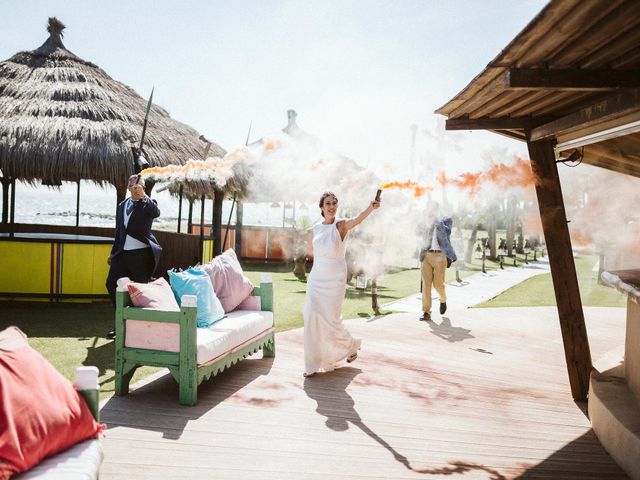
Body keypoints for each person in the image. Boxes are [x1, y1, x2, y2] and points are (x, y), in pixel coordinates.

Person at [303, 191, 381, 377]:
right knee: (311, 314)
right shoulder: (314, 229)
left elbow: (358, 219)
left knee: (331, 320)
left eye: (334, 203)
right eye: (328, 203)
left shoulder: (341, 225)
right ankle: (311, 365)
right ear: (321, 207)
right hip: (316, 278)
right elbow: (311, 252)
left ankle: (351, 346)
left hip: (335, 279)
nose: (331, 206)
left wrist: (371, 207)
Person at [105, 175, 162, 339]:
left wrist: (144, 196)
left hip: (141, 255)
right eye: (132, 185)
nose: (135, 187)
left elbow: (156, 212)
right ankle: (120, 325)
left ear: (143, 187)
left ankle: (142, 328)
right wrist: (113, 252)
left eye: (139, 186)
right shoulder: (122, 205)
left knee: (141, 291)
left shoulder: (148, 204)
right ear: (128, 186)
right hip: (122, 254)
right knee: (111, 283)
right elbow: (119, 232)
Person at [419, 215, 457, 322]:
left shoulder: (446, 220)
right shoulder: (426, 220)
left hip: (440, 256)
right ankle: (426, 312)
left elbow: (447, 232)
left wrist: (437, 223)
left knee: (438, 284)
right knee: (426, 285)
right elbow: (418, 231)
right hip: (426, 255)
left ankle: (443, 299)